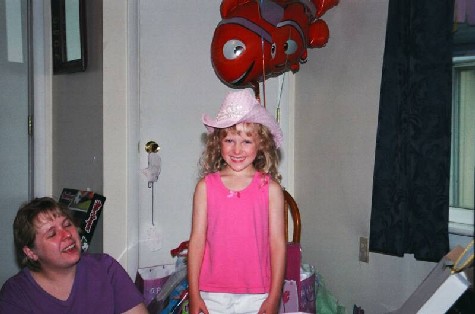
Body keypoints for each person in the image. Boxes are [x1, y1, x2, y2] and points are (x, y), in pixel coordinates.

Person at [188, 89, 286, 314]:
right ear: (218, 142)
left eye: (247, 141)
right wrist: (194, 294)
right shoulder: (206, 187)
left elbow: (278, 245)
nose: (237, 149)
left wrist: (274, 296)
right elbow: (197, 242)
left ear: (261, 144)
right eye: (230, 140)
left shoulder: (270, 189)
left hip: (258, 294)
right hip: (212, 294)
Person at [0, 197, 148, 314]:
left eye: (67, 225)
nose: (66, 234)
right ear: (31, 252)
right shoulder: (16, 295)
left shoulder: (105, 269)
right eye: (52, 234)